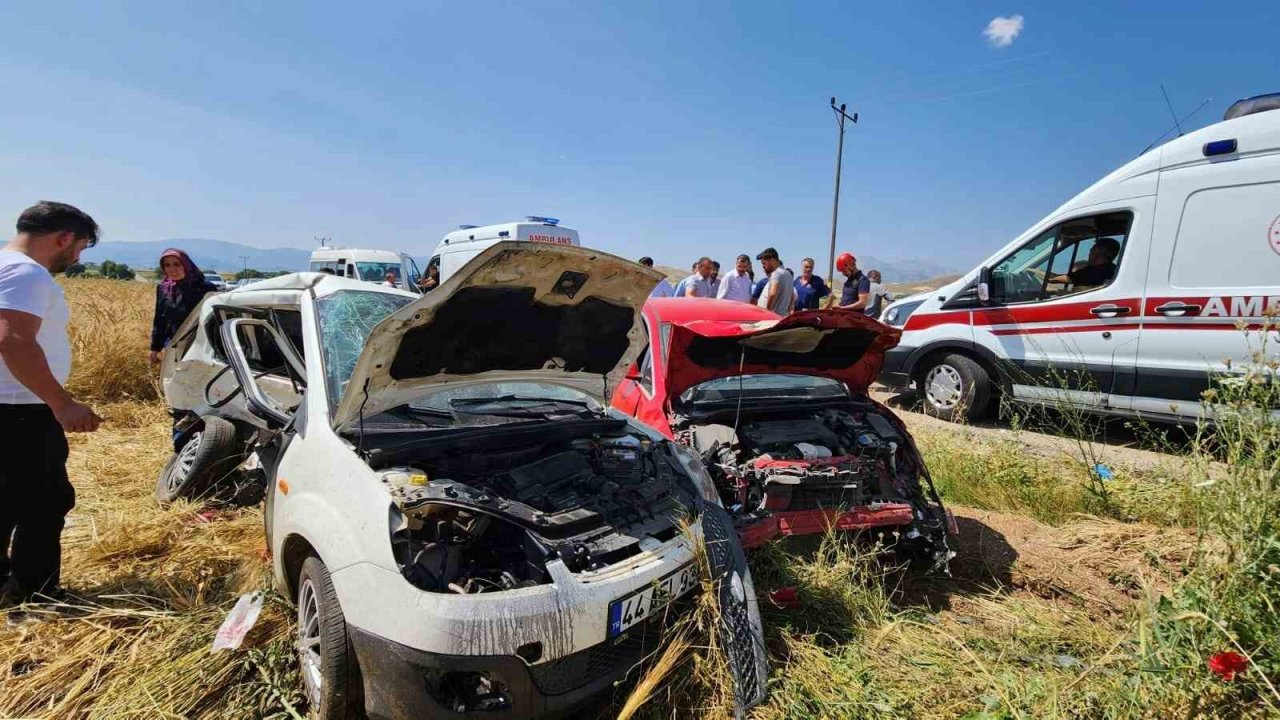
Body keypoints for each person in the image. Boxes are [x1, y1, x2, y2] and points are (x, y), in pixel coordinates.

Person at [0, 201, 102, 604]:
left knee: (6, 499)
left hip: (12, 406)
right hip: (20, 410)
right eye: (79, 247)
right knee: (44, 501)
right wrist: (61, 403)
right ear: (64, 237)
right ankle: (35, 591)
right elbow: (12, 340)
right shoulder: (27, 274)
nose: (76, 258)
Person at [149, 249, 218, 365]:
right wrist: (155, 348)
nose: (172, 269)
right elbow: (160, 319)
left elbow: (214, 319)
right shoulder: (163, 288)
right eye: (167, 265)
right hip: (173, 344)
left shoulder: (204, 287)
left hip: (200, 345)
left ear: (186, 265)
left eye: (177, 264)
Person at [1051, 238, 1120, 288]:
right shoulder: (1112, 269)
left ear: (1097, 253)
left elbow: (1053, 279)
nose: (1089, 253)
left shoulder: (1096, 272)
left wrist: (1041, 273)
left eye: (1092, 250)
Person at [755, 247, 795, 315]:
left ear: (772, 260)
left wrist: (767, 313)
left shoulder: (776, 273)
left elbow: (773, 294)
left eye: (764, 263)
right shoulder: (788, 274)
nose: (764, 266)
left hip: (773, 317)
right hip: (782, 316)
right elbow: (792, 297)